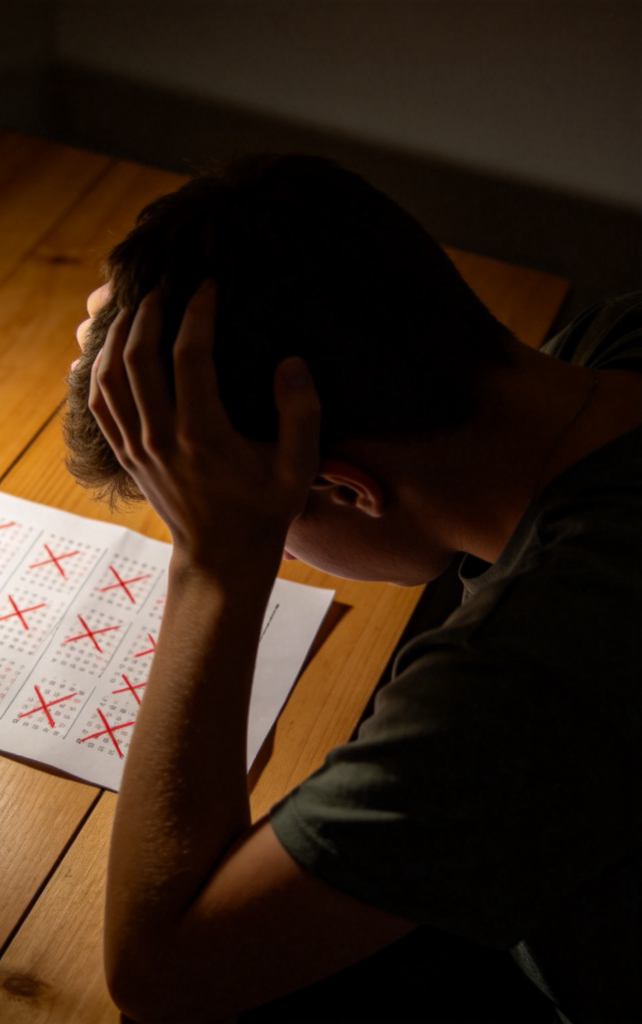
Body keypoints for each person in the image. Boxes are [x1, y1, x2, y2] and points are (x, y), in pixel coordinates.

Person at [62, 155, 642, 1024]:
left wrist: (215, 564)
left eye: (275, 533)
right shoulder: (617, 338)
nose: (282, 553)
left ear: (343, 487)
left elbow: (161, 973)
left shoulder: (527, 680)